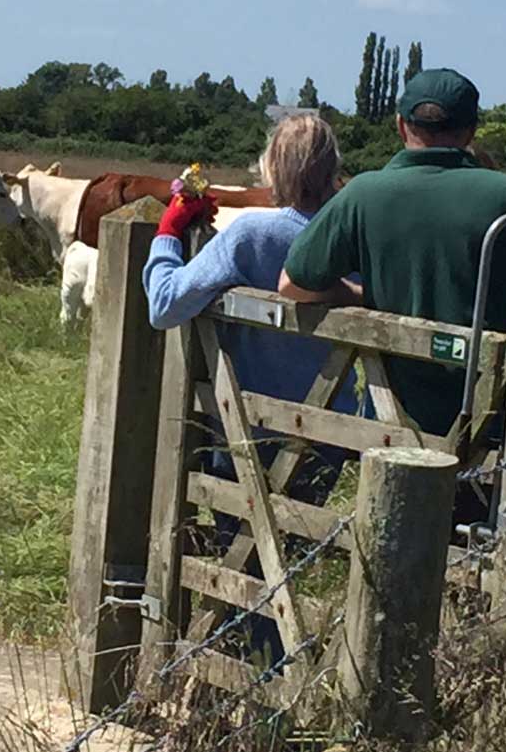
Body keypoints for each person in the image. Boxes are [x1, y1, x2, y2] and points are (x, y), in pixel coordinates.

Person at [279, 68, 506, 438]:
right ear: (471, 132)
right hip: (496, 421)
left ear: (401, 125)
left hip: (394, 421)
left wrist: (354, 294)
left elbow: (292, 285)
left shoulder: (362, 195)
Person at [143, 114, 362, 517]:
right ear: (334, 170)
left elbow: (163, 305)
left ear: (272, 169)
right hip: (330, 430)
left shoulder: (252, 235)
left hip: (248, 426)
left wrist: (168, 235)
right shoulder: (356, 239)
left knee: (242, 550)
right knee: (300, 542)